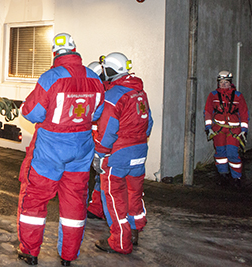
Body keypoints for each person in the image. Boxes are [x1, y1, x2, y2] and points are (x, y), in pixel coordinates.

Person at [17, 33, 105, 266]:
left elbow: (31, 112)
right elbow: (96, 113)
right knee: (75, 203)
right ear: (75, 50)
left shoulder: (51, 77)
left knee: (35, 200)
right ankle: (68, 256)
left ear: (55, 52)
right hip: (82, 150)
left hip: (50, 151)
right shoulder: (94, 78)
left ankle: (30, 252)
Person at [92, 52, 153, 255]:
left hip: (118, 155)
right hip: (139, 152)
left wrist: (99, 154)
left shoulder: (114, 96)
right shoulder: (139, 93)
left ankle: (120, 242)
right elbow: (148, 123)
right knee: (134, 194)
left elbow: (108, 129)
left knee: (114, 198)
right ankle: (134, 232)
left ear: (109, 71)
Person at [204, 70, 249, 187]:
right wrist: (208, 127)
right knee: (220, 154)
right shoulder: (213, 95)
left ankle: (236, 178)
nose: (224, 85)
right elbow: (208, 111)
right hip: (218, 129)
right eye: (221, 82)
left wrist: (244, 130)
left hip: (234, 130)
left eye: (226, 82)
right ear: (218, 83)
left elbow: (244, 113)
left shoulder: (238, 96)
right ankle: (223, 175)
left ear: (230, 83)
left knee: (232, 153)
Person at [85, 60, 107, 221]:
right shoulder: (100, 91)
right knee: (99, 177)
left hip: (101, 143)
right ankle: (96, 208)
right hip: (95, 141)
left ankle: (98, 209)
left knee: (102, 177)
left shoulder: (105, 94)